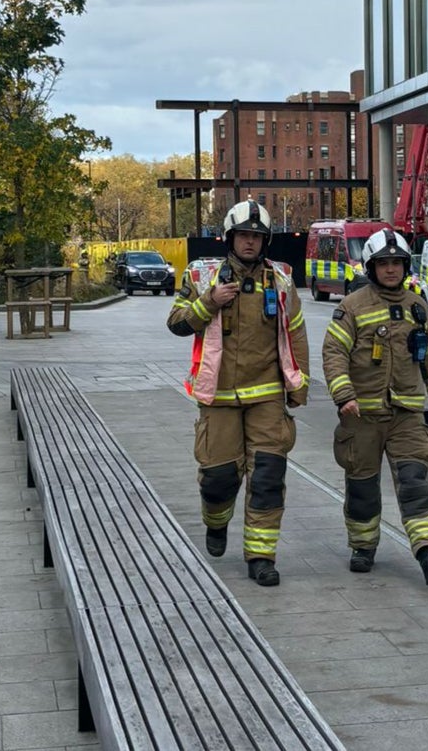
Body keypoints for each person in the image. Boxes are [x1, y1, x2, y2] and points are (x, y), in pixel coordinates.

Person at [167, 200, 309, 587]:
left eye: (257, 236)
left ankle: (261, 557)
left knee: (267, 476)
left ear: (265, 242)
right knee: (218, 479)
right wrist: (209, 302)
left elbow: (295, 331)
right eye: (244, 235)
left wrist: (300, 384)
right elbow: (177, 323)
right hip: (218, 397)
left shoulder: (280, 279)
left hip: (266, 396)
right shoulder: (202, 275)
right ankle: (216, 523)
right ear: (230, 238)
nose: (250, 242)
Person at [322, 226, 428, 584]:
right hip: (362, 415)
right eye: (385, 263)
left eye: (398, 262)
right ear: (371, 266)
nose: (392, 269)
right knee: (362, 486)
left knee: (415, 480)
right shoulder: (352, 307)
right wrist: (344, 395)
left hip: (407, 414)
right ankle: (363, 547)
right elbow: (334, 353)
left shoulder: (418, 307)